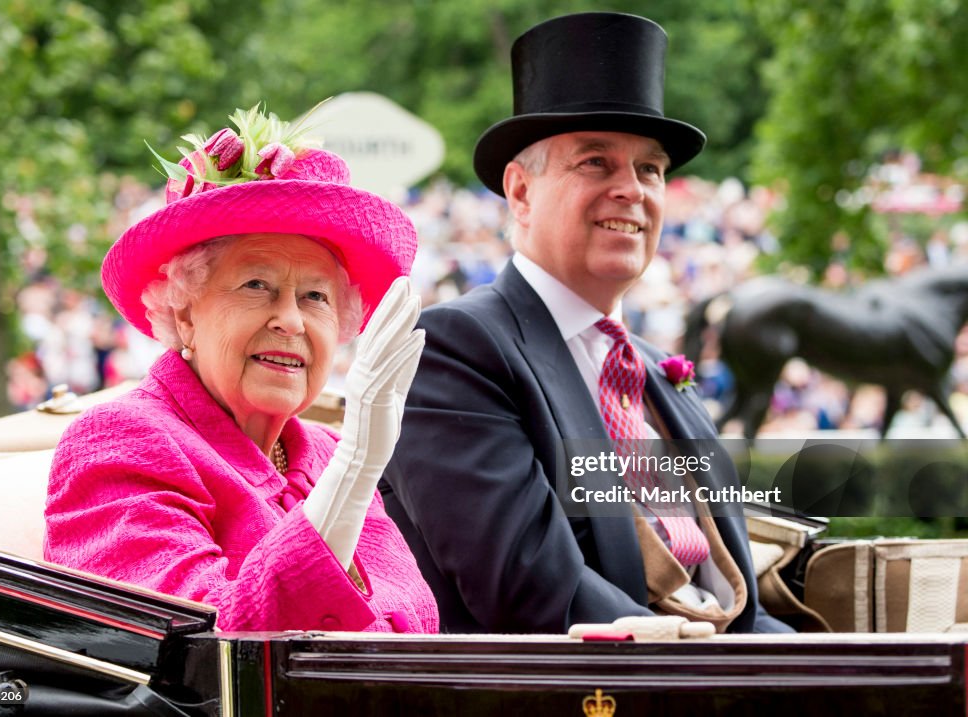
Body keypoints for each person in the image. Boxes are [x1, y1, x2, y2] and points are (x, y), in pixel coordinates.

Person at [381, 13, 792, 634]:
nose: (632, 189)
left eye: (650, 169)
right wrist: (723, 668)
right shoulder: (453, 350)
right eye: (596, 162)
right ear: (520, 193)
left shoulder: (659, 370)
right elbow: (533, 591)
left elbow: (741, 610)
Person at [45, 104, 438, 633]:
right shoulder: (118, 442)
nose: (291, 320)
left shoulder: (321, 452)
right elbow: (210, 649)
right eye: (257, 285)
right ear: (184, 310)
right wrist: (354, 472)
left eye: (316, 296)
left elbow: (413, 622)